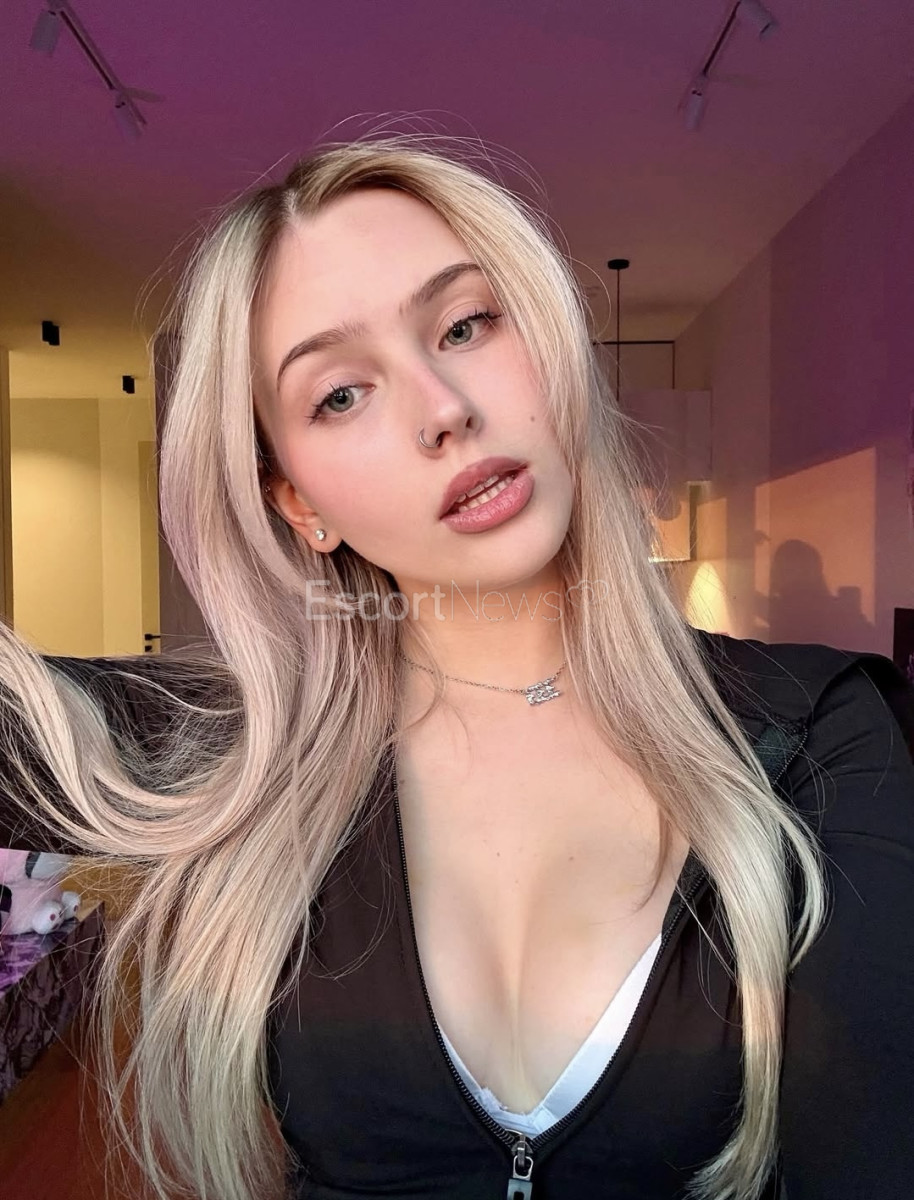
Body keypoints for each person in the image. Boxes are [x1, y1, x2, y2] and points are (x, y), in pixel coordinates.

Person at [0, 133, 913, 1200]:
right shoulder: (240, 754)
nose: (443, 408)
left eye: (466, 325)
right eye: (340, 394)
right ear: (298, 503)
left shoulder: (816, 732)